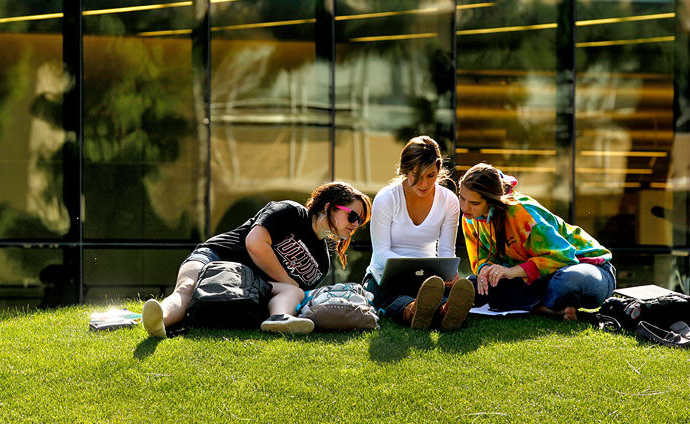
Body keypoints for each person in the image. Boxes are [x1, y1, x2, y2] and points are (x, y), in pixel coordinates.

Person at [142, 181, 372, 337]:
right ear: (329, 207)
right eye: (352, 215)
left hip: (251, 286)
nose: (355, 224)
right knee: (186, 288)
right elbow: (255, 244)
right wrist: (288, 281)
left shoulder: (322, 261)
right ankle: (160, 319)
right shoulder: (290, 212)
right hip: (215, 257)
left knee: (294, 293)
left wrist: (290, 287)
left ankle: (280, 319)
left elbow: (296, 293)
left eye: (360, 221)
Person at [459, 163, 616, 320]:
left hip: (585, 268)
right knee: (478, 284)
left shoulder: (522, 213)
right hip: (537, 278)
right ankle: (548, 307)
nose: (465, 207)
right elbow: (481, 259)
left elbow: (565, 257)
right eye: (462, 198)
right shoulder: (470, 218)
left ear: (492, 201)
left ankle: (535, 304)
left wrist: (511, 272)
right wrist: (485, 270)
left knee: (566, 283)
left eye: (474, 203)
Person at [363, 136, 475, 330]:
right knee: (386, 294)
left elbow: (447, 250)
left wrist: (450, 274)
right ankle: (418, 310)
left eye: (431, 176)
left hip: (429, 280)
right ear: (405, 171)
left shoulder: (449, 201)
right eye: (416, 175)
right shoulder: (387, 198)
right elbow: (381, 254)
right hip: (385, 276)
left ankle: (443, 311)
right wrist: (413, 273)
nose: (424, 183)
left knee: (437, 288)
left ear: (439, 170)